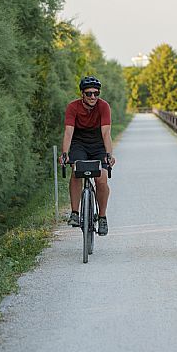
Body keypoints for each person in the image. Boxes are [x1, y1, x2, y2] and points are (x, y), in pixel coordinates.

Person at [60, 76, 115, 236]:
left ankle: (102, 217)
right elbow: (69, 132)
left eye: (96, 93)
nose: (93, 97)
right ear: (82, 94)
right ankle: (75, 213)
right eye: (89, 93)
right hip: (79, 144)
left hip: (98, 144)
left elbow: (106, 133)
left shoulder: (103, 106)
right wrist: (65, 153)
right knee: (76, 173)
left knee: (101, 179)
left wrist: (109, 154)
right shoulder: (73, 107)